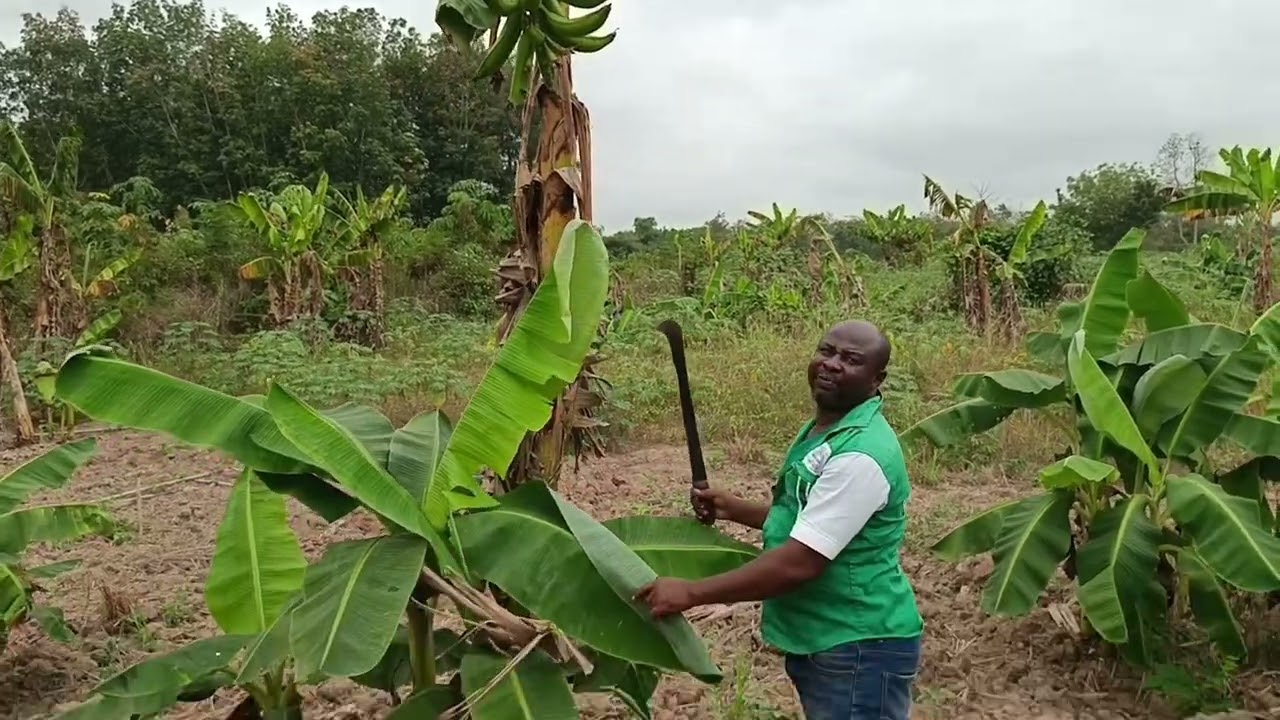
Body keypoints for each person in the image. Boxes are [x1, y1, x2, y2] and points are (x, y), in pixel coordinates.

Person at [635, 319, 924, 720]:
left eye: (851, 360)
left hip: (859, 643)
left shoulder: (861, 455)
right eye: (827, 351)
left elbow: (800, 561)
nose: (832, 364)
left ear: (877, 380)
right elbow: (812, 520)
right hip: (828, 638)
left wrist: (691, 592)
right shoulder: (829, 430)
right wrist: (734, 508)